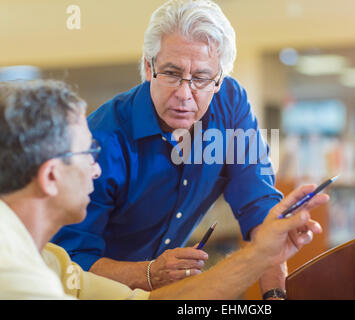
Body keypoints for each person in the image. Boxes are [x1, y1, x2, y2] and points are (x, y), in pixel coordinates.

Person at [51, 0, 297, 298]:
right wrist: (148, 273)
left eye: (201, 79)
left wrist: (275, 296)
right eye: (171, 73)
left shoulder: (230, 103)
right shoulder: (101, 139)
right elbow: (68, 263)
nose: (184, 94)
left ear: (219, 80)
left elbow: (259, 209)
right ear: (147, 66)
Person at [0, 80, 328, 299]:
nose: (97, 168)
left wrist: (261, 255)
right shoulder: (20, 278)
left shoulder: (50, 260)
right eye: (87, 154)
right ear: (51, 176)